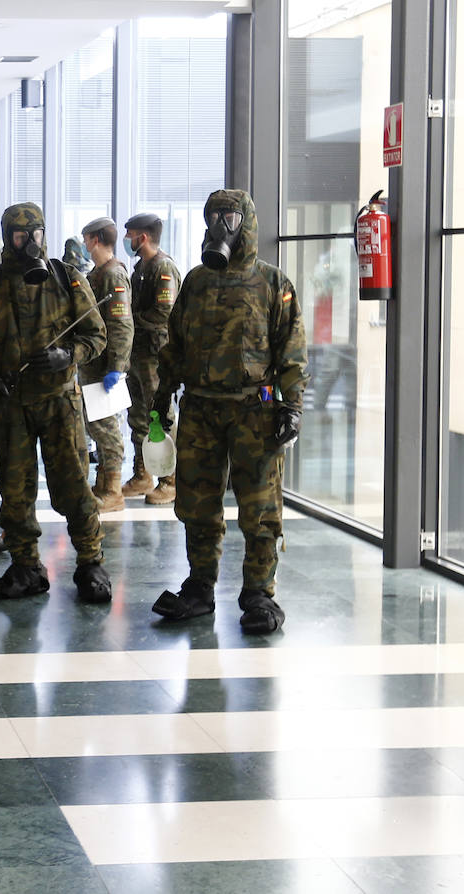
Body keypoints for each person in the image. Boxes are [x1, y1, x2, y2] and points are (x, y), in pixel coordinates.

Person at [151, 188, 307, 634]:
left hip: (253, 411)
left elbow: (293, 353)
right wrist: (161, 401)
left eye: (230, 216)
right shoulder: (196, 282)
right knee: (197, 505)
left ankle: (259, 592)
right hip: (200, 409)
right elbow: (174, 346)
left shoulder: (273, 284)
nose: (221, 224)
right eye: (214, 215)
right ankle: (200, 587)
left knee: (259, 508)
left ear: (248, 223)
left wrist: (290, 407)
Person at [0, 202, 113, 604]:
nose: (29, 243)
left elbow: (96, 335)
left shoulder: (66, 277)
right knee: (15, 491)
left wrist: (69, 356)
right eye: (19, 236)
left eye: (36, 234)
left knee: (75, 485)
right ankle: (26, 566)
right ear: (8, 237)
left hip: (60, 403)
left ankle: (91, 561)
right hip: (11, 406)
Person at [121, 212, 183, 503]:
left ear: (143, 237)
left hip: (157, 355)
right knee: (138, 417)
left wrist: (131, 320)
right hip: (139, 353)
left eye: (131, 234)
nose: (127, 240)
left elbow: (164, 313)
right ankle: (143, 474)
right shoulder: (140, 268)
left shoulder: (163, 267)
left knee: (160, 417)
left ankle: (169, 480)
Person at [79, 217, 134, 514]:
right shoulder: (98, 273)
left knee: (107, 426)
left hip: (105, 366)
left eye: (87, 238)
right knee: (96, 425)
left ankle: (113, 490)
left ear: (96, 239)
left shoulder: (113, 274)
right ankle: (104, 484)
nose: (85, 244)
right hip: (94, 362)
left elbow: (122, 324)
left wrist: (118, 365)